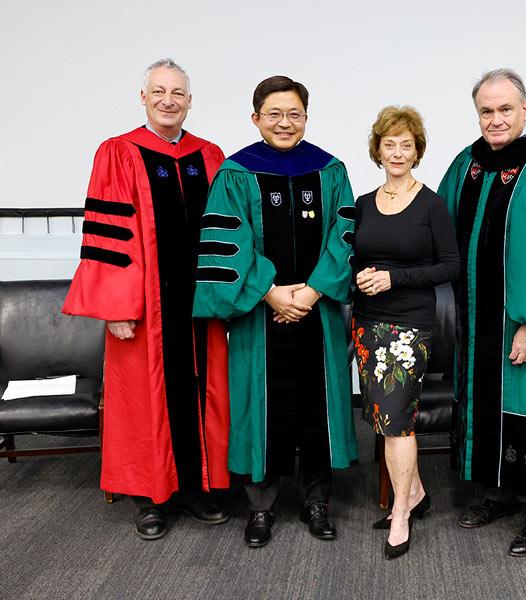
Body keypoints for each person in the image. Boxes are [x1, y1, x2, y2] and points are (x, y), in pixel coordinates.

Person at [63, 58, 230, 540]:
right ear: (143, 97)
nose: (168, 100)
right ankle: (151, 498)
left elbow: (226, 234)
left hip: (201, 308)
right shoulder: (118, 153)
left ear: (190, 100)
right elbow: (107, 237)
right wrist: (116, 308)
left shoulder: (211, 156)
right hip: (145, 310)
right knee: (146, 400)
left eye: (177, 92)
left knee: (203, 393)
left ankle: (199, 488)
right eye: (158, 91)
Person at [192, 75, 358, 549]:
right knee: (257, 405)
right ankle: (260, 508)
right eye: (275, 114)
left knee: (317, 403)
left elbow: (344, 234)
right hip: (260, 317)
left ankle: (316, 500)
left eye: (295, 114)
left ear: (306, 117)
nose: (285, 123)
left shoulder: (330, 170)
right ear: (256, 118)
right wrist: (269, 292)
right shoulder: (236, 172)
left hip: (316, 312)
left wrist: (311, 292)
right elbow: (229, 240)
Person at [437, 68, 526, 556]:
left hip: (525, 324)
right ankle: (495, 494)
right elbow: (436, 227)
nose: (495, 119)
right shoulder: (467, 163)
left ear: (525, 110)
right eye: (486, 110)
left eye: (505, 109)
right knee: (482, 404)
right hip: (475, 321)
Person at [352, 106, 459, 559]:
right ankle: (414, 493)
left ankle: (401, 515)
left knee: (397, 422)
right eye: (389, 144)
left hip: (408, 326)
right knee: (382, 416)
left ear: (417, 151)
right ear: (377, 150)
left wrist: (396, 279)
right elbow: (355, 256)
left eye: (406, 145)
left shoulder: (431, 204)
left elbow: (450, 266)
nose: (397, 152)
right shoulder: (362, 203)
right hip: (366, 321)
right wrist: (360, 276)